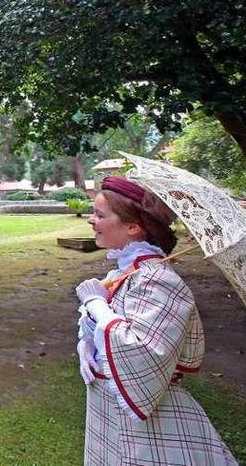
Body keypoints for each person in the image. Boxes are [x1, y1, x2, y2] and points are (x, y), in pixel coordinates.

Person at [75, 176, 236, 465]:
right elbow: (106, 328)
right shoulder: (127, 271)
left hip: (147, 428)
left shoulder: (158, 280)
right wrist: (86, 345)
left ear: (133, 227)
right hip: (108, 410)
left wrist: (96, 304)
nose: (91, 220)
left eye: (100, 215)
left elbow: (143, 350)